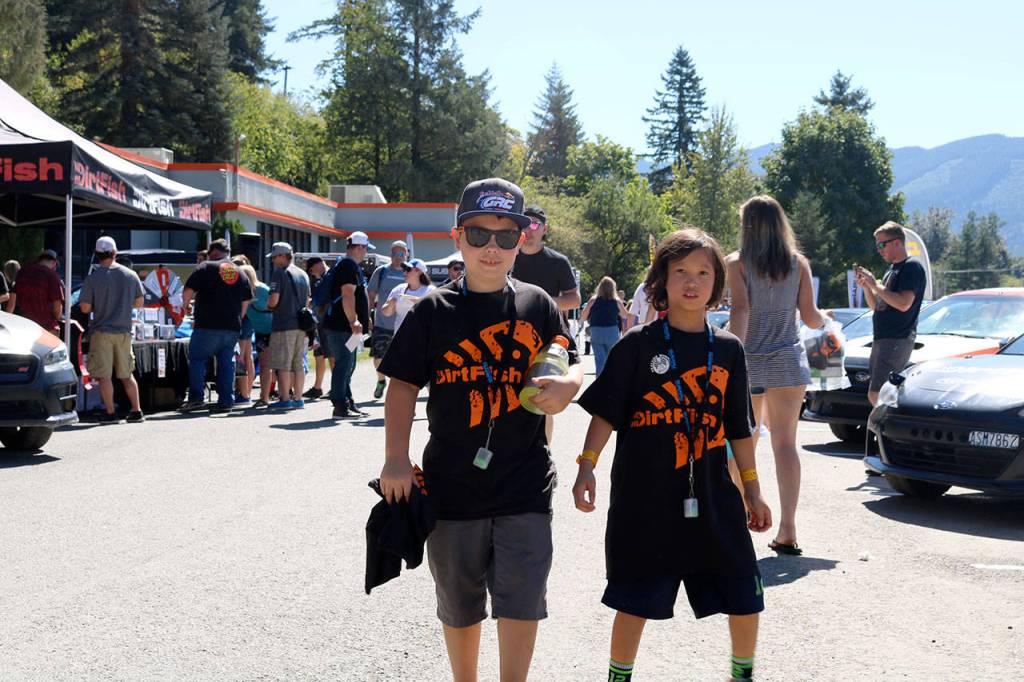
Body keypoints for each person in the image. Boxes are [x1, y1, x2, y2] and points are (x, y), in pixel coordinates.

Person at [378, 178, 584, 682]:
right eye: (479, 235)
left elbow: (569, 360)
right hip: (452, 487)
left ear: (520, 240)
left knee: (522, 599)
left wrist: (569, 387)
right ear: (457, 238)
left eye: (506, 236)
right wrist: (395, 458)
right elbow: (401, 387)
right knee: (460, 602)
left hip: (525, 482)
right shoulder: (431, 310)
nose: (492, 247)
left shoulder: (537, 303)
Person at [572, 228, 772, 682]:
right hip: (644, 502)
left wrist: (753, 492)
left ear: (716, 283)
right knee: (633, 599)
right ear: (662, 277)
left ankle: (742, 675)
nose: (692, 281)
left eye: (703, 272)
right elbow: (605, 414)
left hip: (715, 499)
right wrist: (586, 468)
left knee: (745, 591)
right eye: (681, 270)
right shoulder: (637, 344)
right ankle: (618, 678)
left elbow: (740, 429)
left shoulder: (728, 350)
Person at [726, 195, 824, 557]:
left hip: (749, 362)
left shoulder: (736, 264)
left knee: (742, 445)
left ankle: (737, 522)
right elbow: (811, 317)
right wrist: (826, 319)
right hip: (787, 361)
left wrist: (728, 359)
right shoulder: (798, 264)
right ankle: (788, 529)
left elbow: (740, 312)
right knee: (785, 444)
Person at [856, 221, 927, 406]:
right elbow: (877, 306)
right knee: (878, 393)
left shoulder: (911, 267)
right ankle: (886, 432)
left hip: (897, 339)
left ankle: (888, 433)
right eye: (877, 246)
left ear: (897, 242)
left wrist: (875, 284)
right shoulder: (892, 270)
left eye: (882, 244)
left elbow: (904, 304)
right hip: (883, 338)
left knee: (879, 393)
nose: (879, 250)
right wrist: (866, 287)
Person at [78, 237, 146, 424]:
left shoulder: (92, 278)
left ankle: (110, 413)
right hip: (124, 331)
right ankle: (136, 410)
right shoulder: (130, 275)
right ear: (115, 253)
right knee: (126, 374)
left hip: (101, 332)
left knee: (104, 376)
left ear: (97, 255)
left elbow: (84, 307)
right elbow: (139, 303)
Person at [181, 239, 252, 413]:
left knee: (198, 360)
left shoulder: (206, 266)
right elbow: (247, 298)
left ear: (212, 252)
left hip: (207, 324)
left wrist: (185, 306)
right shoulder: (240, 272)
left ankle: (197, 398)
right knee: (227, 362)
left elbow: (188, 289)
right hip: (232, 326)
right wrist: (239, 316)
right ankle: (226, 400)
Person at [320, 233, 372, 419]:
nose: (366, 252)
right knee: (344, 363)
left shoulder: (348, 265)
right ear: (359, 247)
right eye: (366, 248)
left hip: (348, 327)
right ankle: (339, 405)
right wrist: (354, 320)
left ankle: (348, 401)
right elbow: (347, 294)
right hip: (343, 327)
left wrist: (364, 319)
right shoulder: (348, 265)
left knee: (349, 364)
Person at [266, 242, 311, 409]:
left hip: (284, 324)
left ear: (282, 256)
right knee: (298, 363)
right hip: (301, 325)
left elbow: (273, 300)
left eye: (274, 257)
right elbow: (307, 302)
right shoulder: (303, 274)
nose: (272, 260)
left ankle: (284, 398)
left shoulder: (279, 274)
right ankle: (298, 398)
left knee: (282, 364)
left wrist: (268, 305)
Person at [511, 205, 581, 312]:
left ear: (545, 229)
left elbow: (575, 300)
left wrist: (539, 302)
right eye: (526, 225)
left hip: (547, 326)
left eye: (534, 224)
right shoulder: (507, 257)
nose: (529, 230)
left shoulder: (559, 262)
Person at [367, 240, 406, 400]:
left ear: (406, 255)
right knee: (378, 358)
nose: (398, 257)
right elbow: (370, 295)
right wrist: (368, 315)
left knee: (403, 360)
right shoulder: (381, 271)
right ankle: (381, 380)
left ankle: (400, 390)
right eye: (395, 253)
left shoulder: (410, 272)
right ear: (391, 255)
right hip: (382, 323)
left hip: (404, 326)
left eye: (401, 254)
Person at [580, 276, 629, 375]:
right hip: (612, 332)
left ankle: (600, 386)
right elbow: (625, 315)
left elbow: (584, 316)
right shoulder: (617, 301)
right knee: (612, 361)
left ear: (600, 287)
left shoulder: (593, 300)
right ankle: (612, 385)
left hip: (596, 331)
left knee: (599, 362)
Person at [9, 249, 63, 334]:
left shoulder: (22, 272)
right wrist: (57, 317)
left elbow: (12, 299)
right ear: (54, 263)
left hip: (24, 325)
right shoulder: (52, 276)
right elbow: (57, 305)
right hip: (46, 327)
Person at [303, 256, 332, 400]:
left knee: (331, 355)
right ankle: (317, 387)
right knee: (319, 355)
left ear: (319, 264)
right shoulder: (321, 280)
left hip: (328, 322)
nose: (311, 273)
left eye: (311, 270)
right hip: (319, 322)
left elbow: (328, 299)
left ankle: (335, 387)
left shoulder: (330, 277)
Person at [379, 258, 435, 331]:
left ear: (419, 272)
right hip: (400, 338)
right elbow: (386, 313)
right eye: (405, 270)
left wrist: (420, 302)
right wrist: (390, 304)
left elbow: (435, 314)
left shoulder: (431, 291)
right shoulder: (399, 289)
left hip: (422, 339)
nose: (404, 273)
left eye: (408, 269)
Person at [246, 270, 275, 407]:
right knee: (264, 364)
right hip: (259, 332)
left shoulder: (262, 289)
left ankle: (285, 394)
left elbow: (276, 305)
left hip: (273, 330)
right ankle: (264, 397)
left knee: (279, 364)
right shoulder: (242, 292)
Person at [233, 262, 260, 405]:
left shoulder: (244, 292)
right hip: (250, 323)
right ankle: (247, 392)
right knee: (248, 357)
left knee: (240, 357)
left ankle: (243, 394)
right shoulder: (258, 290)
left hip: (243, 322)